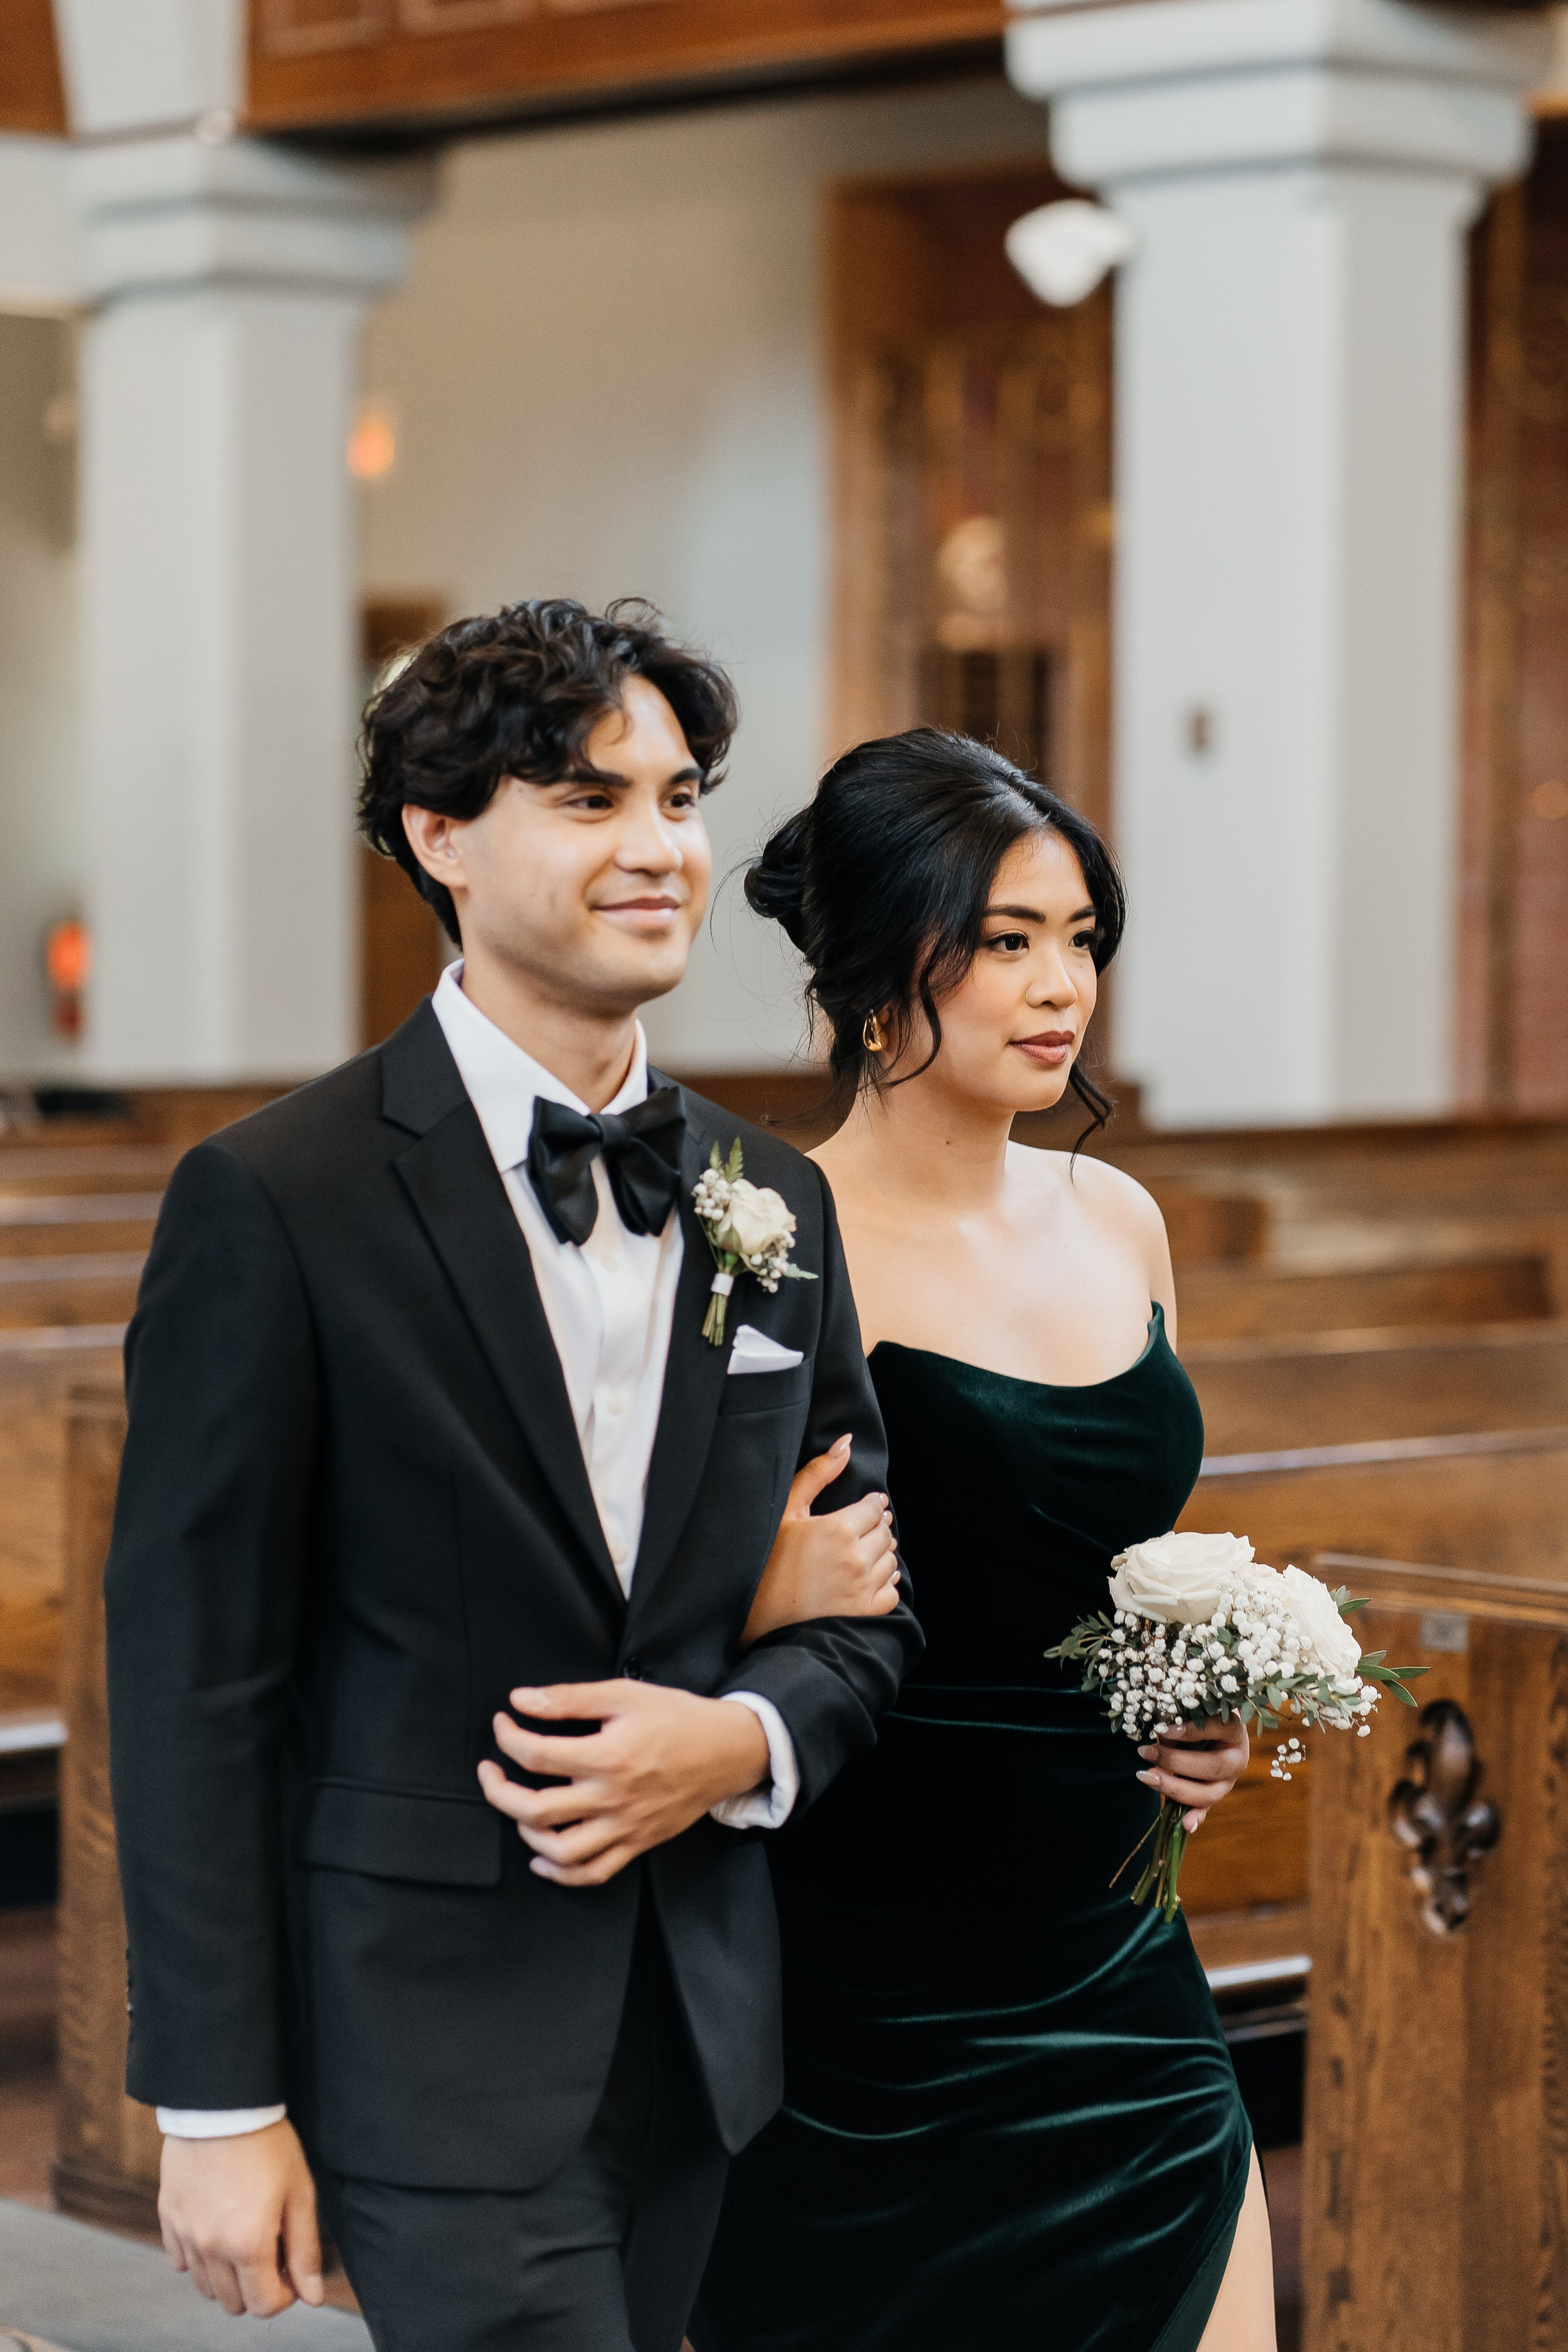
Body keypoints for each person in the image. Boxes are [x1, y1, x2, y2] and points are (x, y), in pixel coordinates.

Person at [104, 599, 921, 2352]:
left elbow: (869, 1610)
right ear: (441, 835)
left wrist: (744, 1737)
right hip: (421, 2040)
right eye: (589, 799)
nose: (660, 850)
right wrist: (217, 2103)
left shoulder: (772, 1200)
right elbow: (195, 1684)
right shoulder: (278, 1200)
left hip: (707, 2035)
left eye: (682, 798)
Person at [693, 728, 1272, 2352]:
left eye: (1078, 939)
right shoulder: (761, 1236)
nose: (1061, 985)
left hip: (1111, 1951)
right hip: (870, 1970)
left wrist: (1195, 1702)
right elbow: (648, 1596)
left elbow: (1112, 1554)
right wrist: (763, 1594)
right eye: (1006, 942)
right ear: (884, 965)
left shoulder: (1122, 1221)